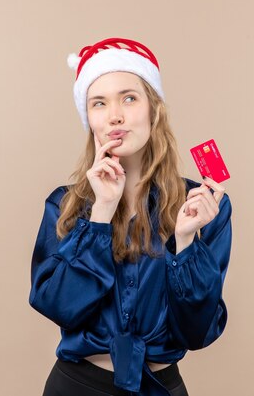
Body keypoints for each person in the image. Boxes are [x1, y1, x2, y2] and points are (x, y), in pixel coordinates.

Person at [29, 37, 232, 396]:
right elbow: (58, 307)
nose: (115, 115)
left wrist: (185, 244)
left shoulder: (202, 206)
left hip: (159, 387)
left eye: (129, 97)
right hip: (77, 387)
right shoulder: (64, 205)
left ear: (153, 110)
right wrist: (102, 214)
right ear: (89, 118)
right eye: (99, 103)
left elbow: (198, 333)